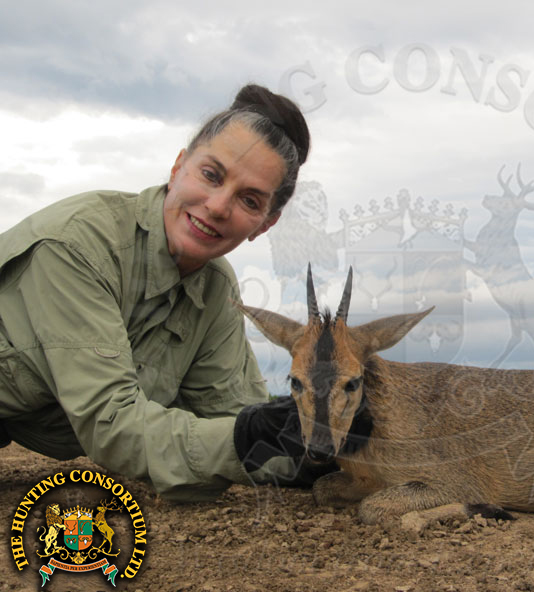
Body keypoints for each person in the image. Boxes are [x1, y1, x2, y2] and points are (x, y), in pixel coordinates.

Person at [0, 84, 318, 501]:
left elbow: (233, 413)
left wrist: (324, 450)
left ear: (265, 225)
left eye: (249, 200)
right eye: (211, 175)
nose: (219, 206)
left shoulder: (215, 288)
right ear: (177, 167)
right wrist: (246, 438)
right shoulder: (78, 247)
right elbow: (111, 423)